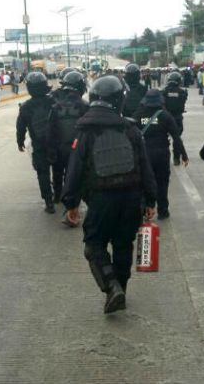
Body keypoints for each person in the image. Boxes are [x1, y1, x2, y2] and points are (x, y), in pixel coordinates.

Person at [60, 75, 158, 314]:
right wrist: (150, 199)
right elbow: (145, 166)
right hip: (131, 198)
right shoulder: (131, 129)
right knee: (123, 244)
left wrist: (70, 203)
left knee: (94, 245)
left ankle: (112, 287)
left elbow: (75, 169)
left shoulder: (85, 131)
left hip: (101, 199)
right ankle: (120, 288)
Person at [133, 89, 189, 219]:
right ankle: (163, 210)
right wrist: (184, 155)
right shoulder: (165, 115)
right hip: (161, 154)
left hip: (144, 154)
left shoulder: (138, 114)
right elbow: (176, 136)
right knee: (162, 182)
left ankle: (145, 208)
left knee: (144, 182)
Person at [16, 71, 57, 213]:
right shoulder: (53, 101)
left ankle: (49, 202)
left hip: (39, 145)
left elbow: (20, 127)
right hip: (56, 143)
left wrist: (19, 141)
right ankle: (59, 195)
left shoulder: (26, 106)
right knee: (58, 170)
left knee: (42, 173)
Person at [47, 71, 89, 206]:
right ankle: (71, 200)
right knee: (74, 175)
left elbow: (50, 130)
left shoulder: (55, 105)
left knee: (57, 172)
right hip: (76, 148)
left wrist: (51, 148)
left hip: (59, 147)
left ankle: (57, 196)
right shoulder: (85, 105)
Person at [162, 71, 189, 166]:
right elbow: (183, 102)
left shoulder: (164, 91)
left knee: (162, 137)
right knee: (177, 138)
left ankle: (164, 157)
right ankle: (176, 158)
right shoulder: (183, 92)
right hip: (177, 118)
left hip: (165, 117)